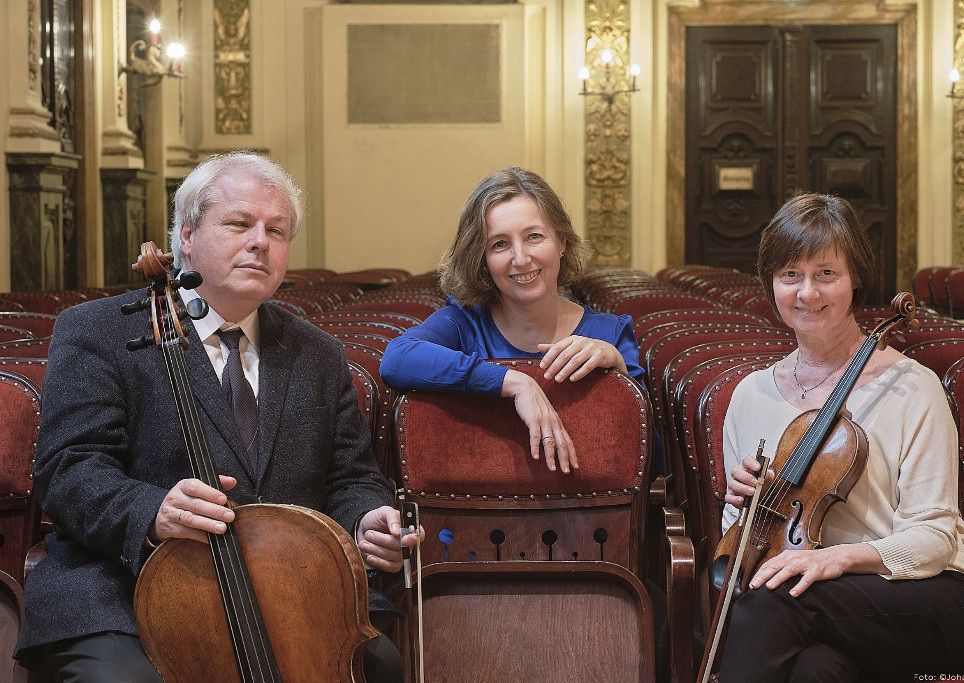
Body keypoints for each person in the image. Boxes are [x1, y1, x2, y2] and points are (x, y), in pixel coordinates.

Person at [14, 152, 417, 682]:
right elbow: (69, 470)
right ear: (185, 234)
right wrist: (153, 509)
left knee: (381, 666)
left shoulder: (316, 353)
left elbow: (351, 478)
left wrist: (369, 518)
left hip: (286, 595)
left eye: (276, 230)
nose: (259, 241)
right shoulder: (98, 331)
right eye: (238, 223)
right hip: (120, 590)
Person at [717, 193, 964, 681]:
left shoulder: (912, 386)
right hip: (815, 607)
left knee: (774, 605)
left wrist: (839, 559)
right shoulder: (750, 396)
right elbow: (739, 543)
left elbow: (935, 539)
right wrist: (745, 507)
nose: (807, 292)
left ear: (856, 280)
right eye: (791, 275)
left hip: (932, 594)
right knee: (815, 669)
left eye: (826, 274)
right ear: (771, 284)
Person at [380, 166, 660, 476]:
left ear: (562, 241)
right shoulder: (463, 323)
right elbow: (396, 360)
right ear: (482, 259)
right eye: (499, 244)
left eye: (534, 237)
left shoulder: (611, 333)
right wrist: (514, 382)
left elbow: (651, 465)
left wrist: (618, 372)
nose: (521, 258)